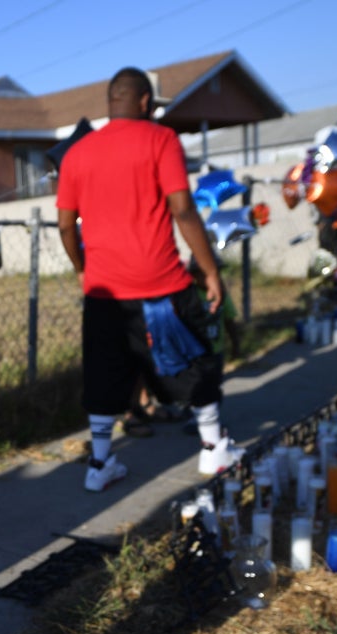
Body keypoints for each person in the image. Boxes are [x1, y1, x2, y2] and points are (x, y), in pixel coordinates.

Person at [56, 66, 243, 491]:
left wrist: (82, 268)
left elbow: (66, 226)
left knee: (103, 375)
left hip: (104, 293)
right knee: (197, 363)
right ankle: (214, 450)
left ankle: (100, 466)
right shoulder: (161, 140)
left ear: (111, 101)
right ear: (144, 102)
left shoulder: (77, 154)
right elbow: (182, 209)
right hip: (162, 286)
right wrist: (211, 270)